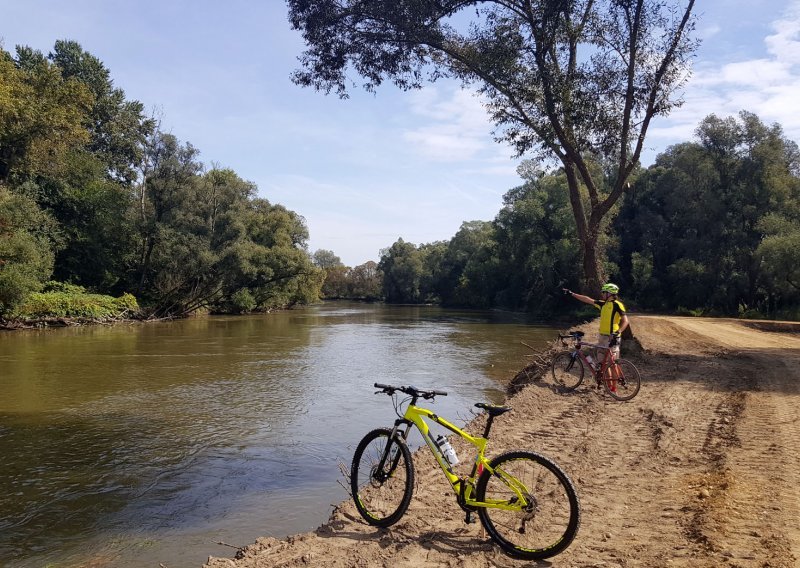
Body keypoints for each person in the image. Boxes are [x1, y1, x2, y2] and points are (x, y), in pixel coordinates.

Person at [562, 283, 629, 357]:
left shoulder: (617, 305)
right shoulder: (603, 304)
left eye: (603, 292)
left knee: (612, 361)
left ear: (609, 293)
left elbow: (625, 321)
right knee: (602, 361)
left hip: (612, 337)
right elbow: (587, 299)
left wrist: (618, 332)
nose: (602, 294)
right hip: (602, 336)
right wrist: (572, 294)